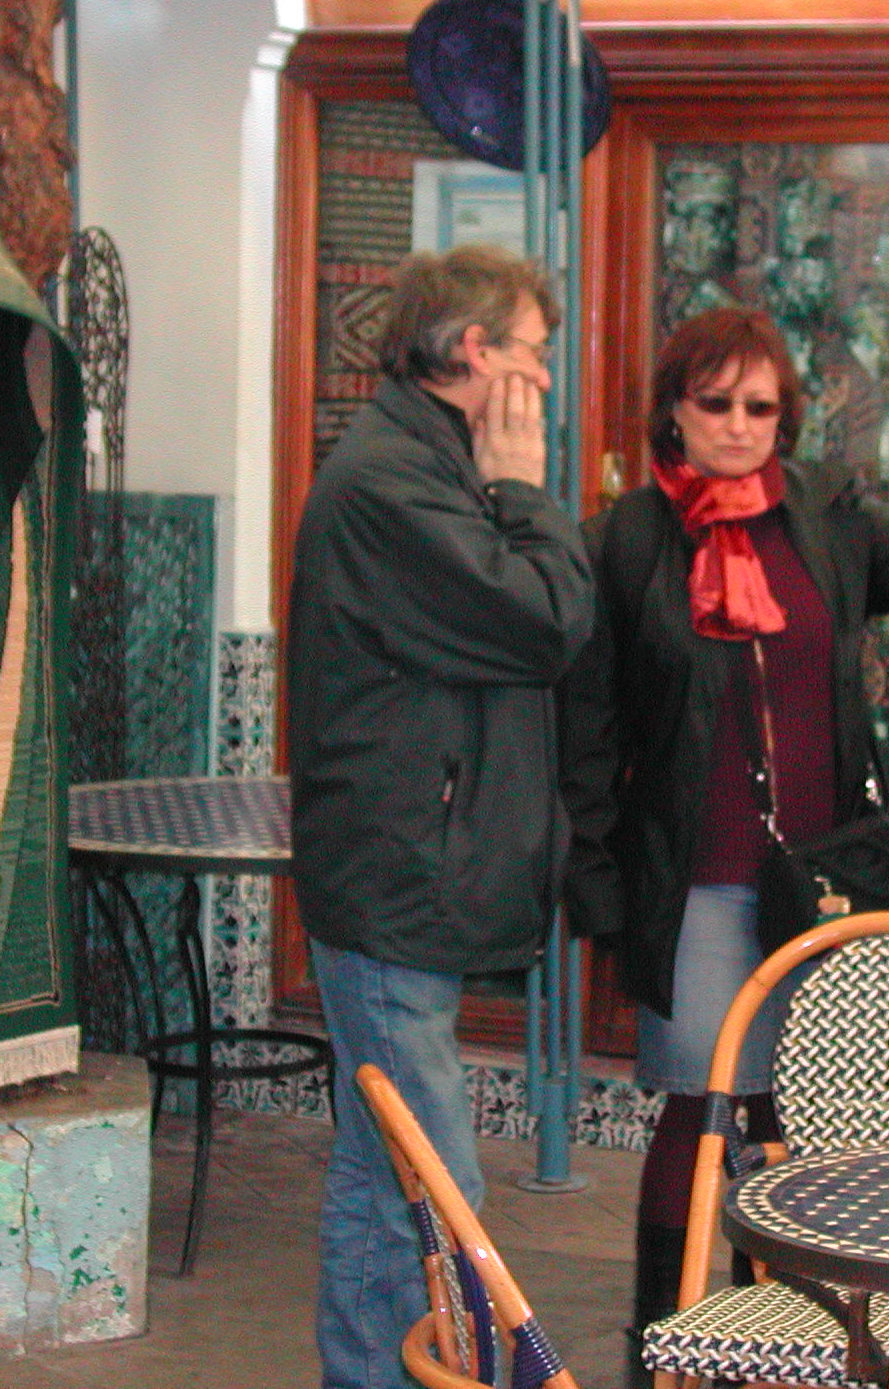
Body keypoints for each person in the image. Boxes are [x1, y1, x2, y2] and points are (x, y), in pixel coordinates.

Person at [559, 305, 889, 1368]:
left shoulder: (824, 517)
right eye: (717, 404)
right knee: (704, 1107)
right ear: (673, 411)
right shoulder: (625, 540)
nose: (740, 426)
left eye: (760, 406)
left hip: (823, 875)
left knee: (801, 1113)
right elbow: (588, 727)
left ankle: (786, 1340)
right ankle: (662, 1340)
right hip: (698, 878)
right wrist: (596, 880)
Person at [287, 244, 599, 1389]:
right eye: (534, 353)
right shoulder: (391, 484)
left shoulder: (417, 463)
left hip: (405, 875)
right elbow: (544, 622)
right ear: (474, 351)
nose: (545, 380)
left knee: (389, 1174)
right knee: (429, 1187)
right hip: (392, 883)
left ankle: (366, 1373)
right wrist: (522, 489)